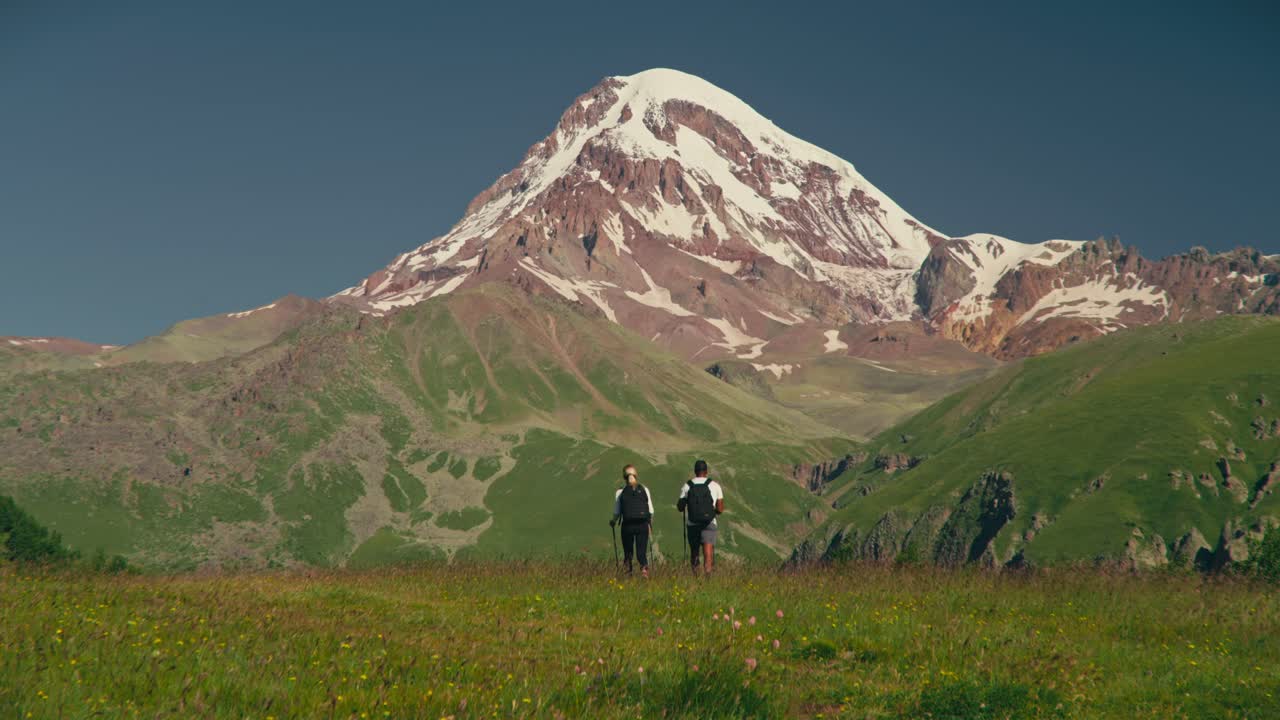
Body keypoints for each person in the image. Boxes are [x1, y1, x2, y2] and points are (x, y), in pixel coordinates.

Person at [676, 459, 724, 575]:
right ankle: (708, 576)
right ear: (706, 471)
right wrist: (712, 512)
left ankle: (696, 578)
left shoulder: (687, 486)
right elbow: (720, 509)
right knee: (708, 551)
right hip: (709, 522)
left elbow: (680, 507)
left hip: (693, 524)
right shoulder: (714, 485)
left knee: (694, 552)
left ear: (695, 471)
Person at [611, 464, 654, 577]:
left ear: (624, 477)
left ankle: (628, 574)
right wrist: (649, 524)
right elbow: (650, 510)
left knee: (628, 552)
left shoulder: (620, 492)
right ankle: (644, 571)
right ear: (636, 475)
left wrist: (613, 521)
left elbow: (617, 512)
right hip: (642, 524)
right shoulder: (644, 489)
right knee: (641, 552)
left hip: (627, 525)